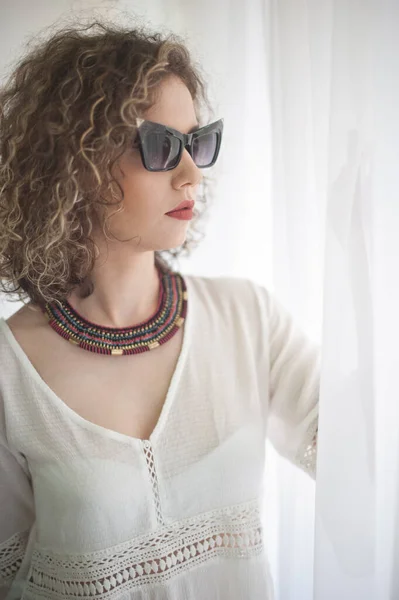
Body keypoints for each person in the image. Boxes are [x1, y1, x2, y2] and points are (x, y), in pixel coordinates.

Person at [0, 19, 320, 600]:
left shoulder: (248, 318)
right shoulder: (7, 371)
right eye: (159, 146)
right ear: (75, 162)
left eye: (198, 142)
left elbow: (363, 453)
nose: (192, 173)